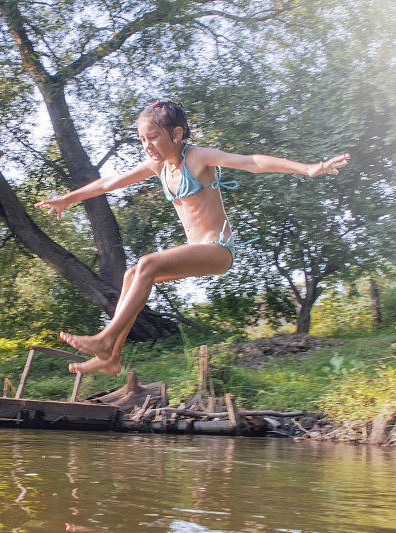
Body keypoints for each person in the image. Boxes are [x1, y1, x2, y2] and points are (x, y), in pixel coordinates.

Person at [35, 100, 349, 375]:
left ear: (177, 134)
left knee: (146, 264)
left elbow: (252, 162)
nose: (147, 145)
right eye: (143, 139)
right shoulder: (157, 166)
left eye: (154, 137)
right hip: (194, 249)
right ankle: (111, 358)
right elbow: (108, 183)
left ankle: (105, 338)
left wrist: (308, 169)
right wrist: (67, 199)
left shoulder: (198, 158)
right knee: (133, 275)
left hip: (217, 249)